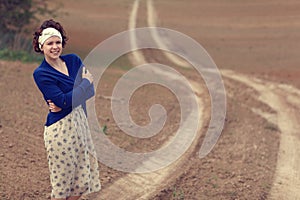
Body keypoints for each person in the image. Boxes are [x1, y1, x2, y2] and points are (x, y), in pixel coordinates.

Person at [32, 19, 101, 200]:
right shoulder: (41, 73)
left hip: (80, 125)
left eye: (58, 42)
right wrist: (84, 83)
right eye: (50, 43)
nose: (55, 47)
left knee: (81, 184)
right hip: (60, 130)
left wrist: (68, 100)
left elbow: (89, 92)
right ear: (41, 46)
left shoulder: (73, 61)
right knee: (62, 186)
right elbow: (66, 99)